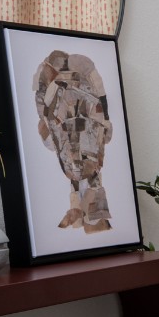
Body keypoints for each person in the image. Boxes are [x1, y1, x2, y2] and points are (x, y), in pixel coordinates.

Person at [32, 49, 113, 232]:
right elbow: (47, 118)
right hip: (75, 133)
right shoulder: (55, 88)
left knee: (87, 173)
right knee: (81, 172)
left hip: (84, 131)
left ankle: (93, 219)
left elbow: (98, 105)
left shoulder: (81, 79)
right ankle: (83, 215)